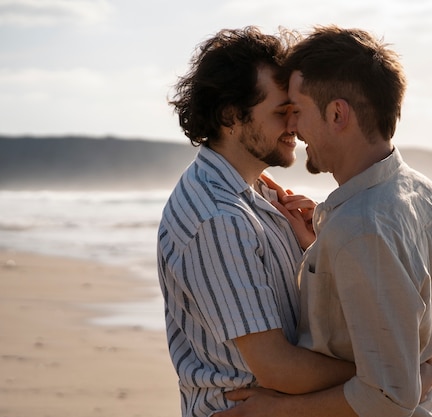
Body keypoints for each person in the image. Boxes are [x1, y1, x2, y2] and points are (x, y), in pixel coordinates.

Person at [218, 26, 432, 417]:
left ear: (336, 114)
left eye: (296, 110)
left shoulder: (359, 229)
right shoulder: (421, 192)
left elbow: (386, 397)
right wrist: (321, 250)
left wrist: (277, 410)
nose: (292, 129)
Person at [157, 26, 356, 417]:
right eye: (283, 113)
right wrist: (385, 376)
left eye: (296, 111)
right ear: (232, 116)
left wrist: (316, 249)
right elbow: (280, 369)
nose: (295, 127)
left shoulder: (257, 193)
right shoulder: (218, 220)